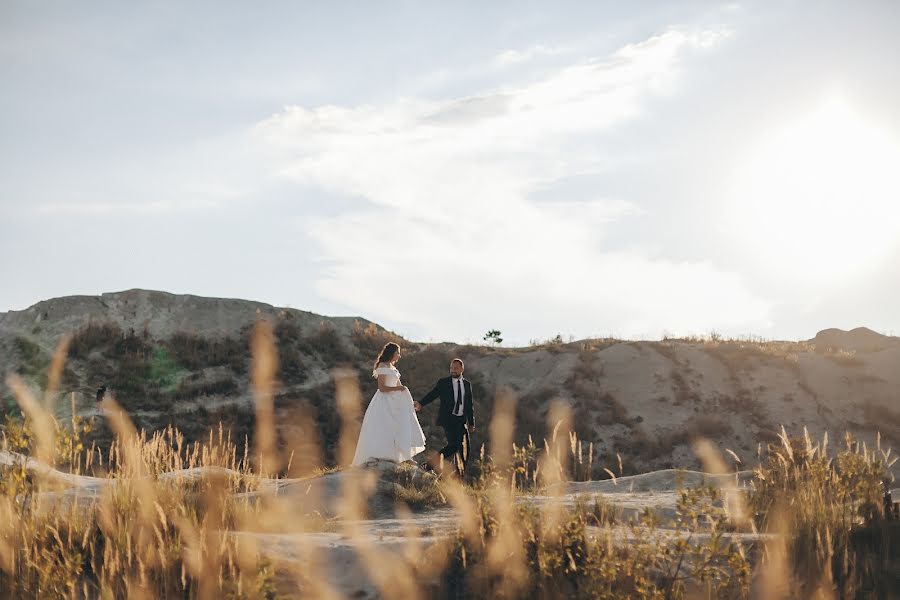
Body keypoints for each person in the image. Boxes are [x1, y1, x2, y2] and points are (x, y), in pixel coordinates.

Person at [352, 342, 426, 466]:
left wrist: (407, 400)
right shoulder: (383, 365)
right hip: (384, 402)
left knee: (401, 426)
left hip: (395, 401)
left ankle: (404, 456)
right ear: (391, 353)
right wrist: (399, 390)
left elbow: (399, 385)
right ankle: (382, 455)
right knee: (384, 428)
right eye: (398, 353)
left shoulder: (393, 368)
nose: (399, 356)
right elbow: (382, 388)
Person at [415, 358, 474, 476]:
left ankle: (459, 477)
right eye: (451, 368)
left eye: (456, 368)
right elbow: (433, 394)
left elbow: (469, 405)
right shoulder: (444, 382)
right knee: (453, 446)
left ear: (462, 369)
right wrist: (421, 403)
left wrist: (471, 423)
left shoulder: (467, 385)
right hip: (448, 420)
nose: (453, 370)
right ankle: (428, 466)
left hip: (461, 420)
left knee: (466, 451)